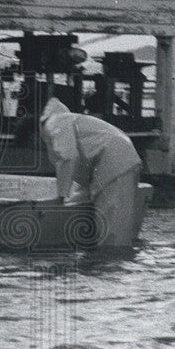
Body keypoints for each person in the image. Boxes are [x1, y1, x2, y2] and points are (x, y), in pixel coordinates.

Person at [38, 98, 143, 247]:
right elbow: (80, 167)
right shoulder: (72, 121)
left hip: (113, 161)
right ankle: (112, 262)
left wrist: (60, 197)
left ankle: (114, 263)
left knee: (111, 233)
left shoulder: (54, 123)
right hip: (119, 159)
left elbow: (67, 157)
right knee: (112, 224)